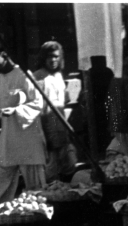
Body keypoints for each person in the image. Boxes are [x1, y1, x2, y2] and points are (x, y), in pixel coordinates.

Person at [0, 39, 47, 203]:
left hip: (28, 139)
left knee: (36, 188)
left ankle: (38, 220)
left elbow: (38, 103)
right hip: (8, 141)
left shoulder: (24, 76)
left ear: (4, 55)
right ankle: (2, 219)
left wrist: (16, 111)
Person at [33, 40, 77, 182]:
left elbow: (64, 102)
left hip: (61, 128)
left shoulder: (59, 76)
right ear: (43, 58)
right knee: (51, 170)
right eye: (49, 56)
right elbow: (36, 107)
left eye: (56, 57)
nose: (53, 60)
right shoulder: (38, 76)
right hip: (46, 129)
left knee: (69, 165)